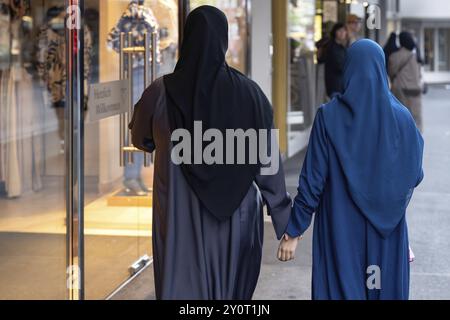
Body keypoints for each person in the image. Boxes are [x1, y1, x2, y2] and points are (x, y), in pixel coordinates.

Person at [129, 6, 291, 300]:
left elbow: (140, 138)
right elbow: (268, 164)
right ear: (223, 41)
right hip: (236, 220)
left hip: (180, 215)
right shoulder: (251, 94)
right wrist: (284, 217)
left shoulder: (160, 92)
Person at [278, 40, 424, 300]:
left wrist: (295, 229)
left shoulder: (328, 117)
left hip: (341, 232)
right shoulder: (402, 118)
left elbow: (313, 180)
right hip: (387, 236)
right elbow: (415, 174)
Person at [389, 32, 423, 132]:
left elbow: (391, 73)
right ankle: (416, 144)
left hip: (401, 91)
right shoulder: (416, 55)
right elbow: (419, 74)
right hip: (415, 91)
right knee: (416, 121)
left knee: (400, 120)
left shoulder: (395, 56)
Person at [324, 23, 347, 98]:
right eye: (340, 31)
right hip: (335, 85)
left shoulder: (341, 47)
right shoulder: (331, 47)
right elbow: (339, 66)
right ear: (335, 32)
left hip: (340, 85)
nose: (342, 33)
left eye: (344, 31)